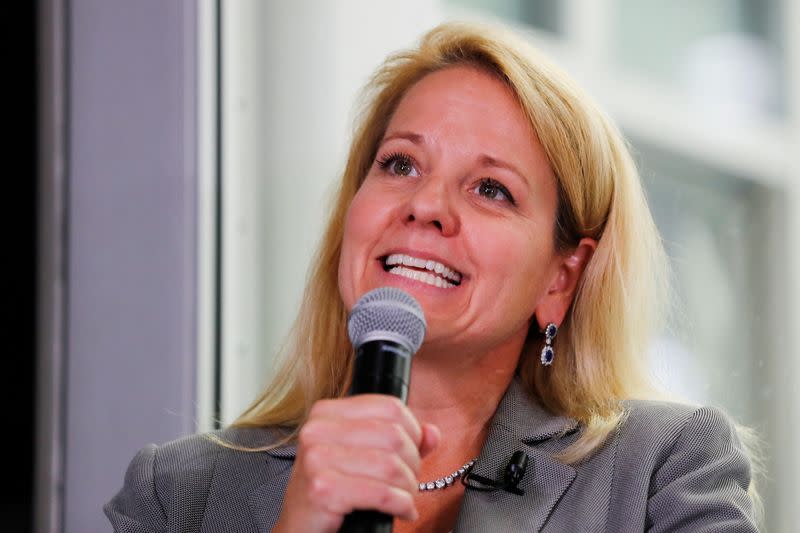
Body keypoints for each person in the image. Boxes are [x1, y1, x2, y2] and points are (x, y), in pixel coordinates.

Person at [105, 21, 759, 533]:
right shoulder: (175, 493)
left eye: (491, 189)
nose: (425, 206)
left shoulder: (663, 471)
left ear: (562, 276)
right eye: (400, 164)